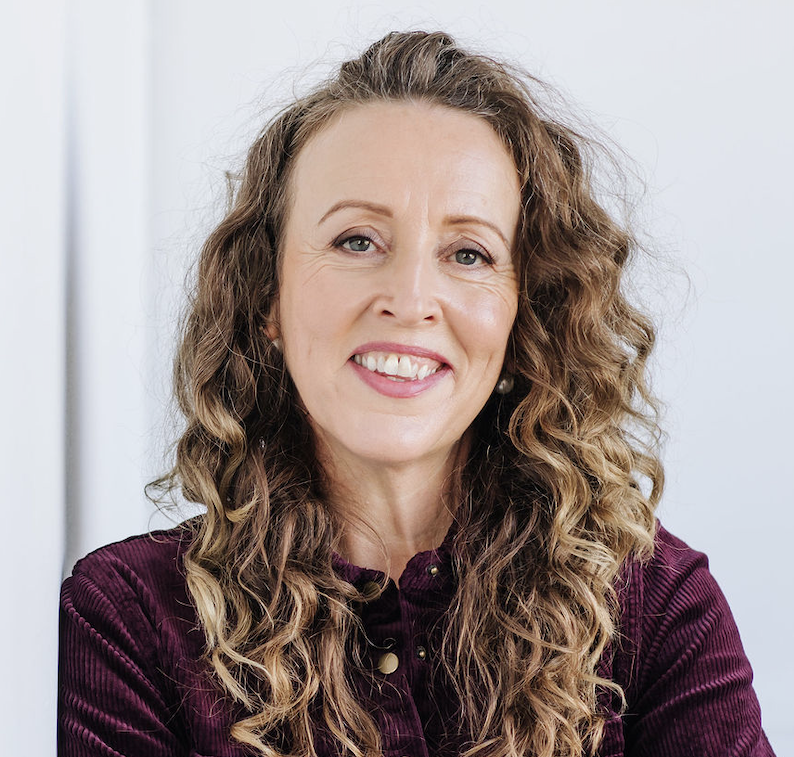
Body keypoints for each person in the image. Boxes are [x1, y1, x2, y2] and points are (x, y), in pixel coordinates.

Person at [58, 30, 774, 757]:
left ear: (523, 315)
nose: (409, 299)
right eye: (356, 241)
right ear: (267, 295)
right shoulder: (132, 617)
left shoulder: (656, 607)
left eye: (469, 253)